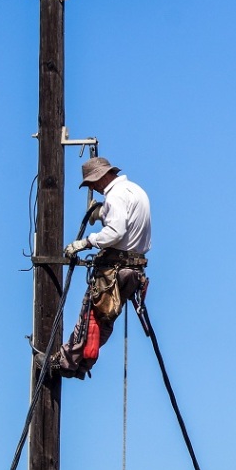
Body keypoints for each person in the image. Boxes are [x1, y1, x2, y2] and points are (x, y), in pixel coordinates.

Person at [37, 156, 151, 380]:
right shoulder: (135, 190)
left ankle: (63, 363)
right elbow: (126, 228)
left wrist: (86, 242)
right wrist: (101, 214)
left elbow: (115, 232)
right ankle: (81, 364)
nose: (94, 188)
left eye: (92, 184)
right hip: (133, 270)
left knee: (89, 316)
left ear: (101, 177)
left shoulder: (115, 196)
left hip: (114, 270)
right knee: (102, 320)